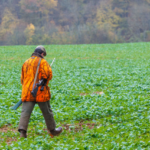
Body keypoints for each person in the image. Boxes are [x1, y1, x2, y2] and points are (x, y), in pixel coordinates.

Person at [18, 45, 62, 138]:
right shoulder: (43, 62)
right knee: (47, 111)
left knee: (25, 112)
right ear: (42, 53)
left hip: (27, 92)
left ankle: (22, 133)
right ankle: (53, 130)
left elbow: (22, 79)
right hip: (40, 92)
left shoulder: (26, 62)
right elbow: (48, 75)